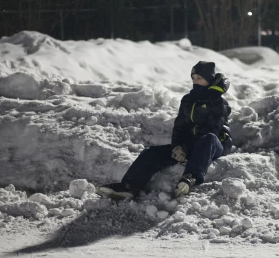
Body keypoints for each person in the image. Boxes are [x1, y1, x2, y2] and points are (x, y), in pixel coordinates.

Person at [98, 61, 232, 199]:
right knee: (151, 153)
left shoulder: (219, 102)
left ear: (209, 80)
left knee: (208, 138)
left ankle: (191, 177)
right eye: (193, 78)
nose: (195, 81)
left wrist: (185, 147)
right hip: (190, 146)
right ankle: (129, 187)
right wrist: (177, 147)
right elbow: (179, 127)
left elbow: (211, 130)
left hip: (214, 145)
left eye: (200, 78)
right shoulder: (188, 100)